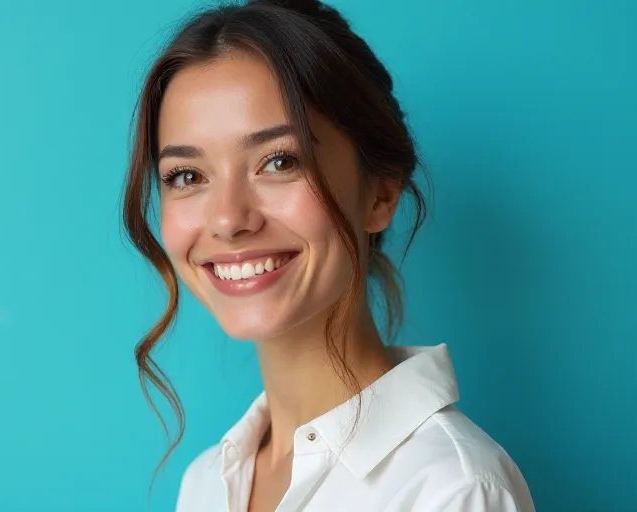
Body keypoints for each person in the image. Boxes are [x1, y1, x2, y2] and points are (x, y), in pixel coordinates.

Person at [121, 0, 535, 510]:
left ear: (381, 194)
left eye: (279, 161)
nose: (228, 219)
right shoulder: (207, 483)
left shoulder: (451, 489)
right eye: (187, 176)